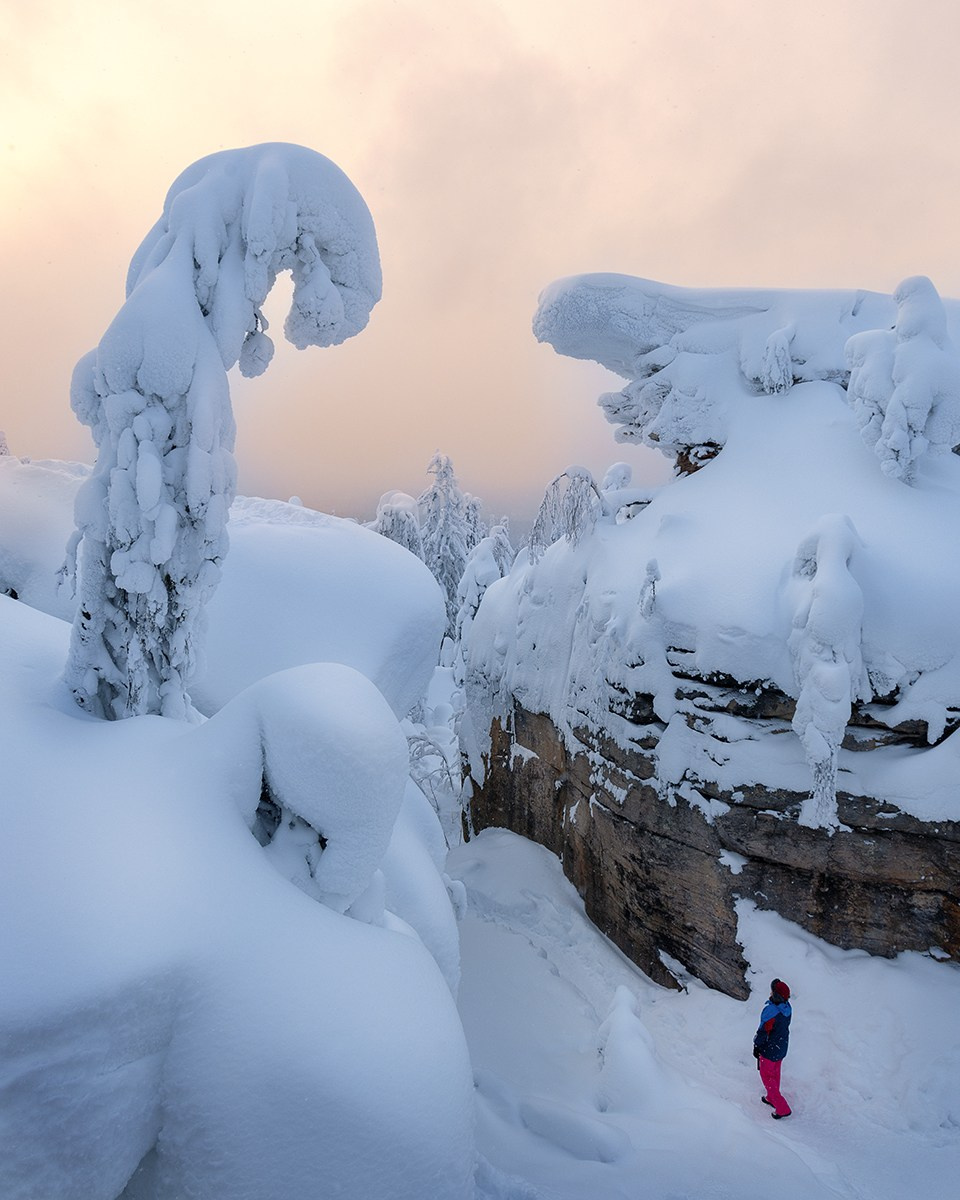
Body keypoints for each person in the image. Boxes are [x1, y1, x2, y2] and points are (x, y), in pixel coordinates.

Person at [753, 978, 792, 1118]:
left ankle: (782, 1108)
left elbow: (763, 1032)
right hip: (781, 1047)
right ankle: (771, 1097)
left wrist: (757, 1046)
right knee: (775, 1073)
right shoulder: (787, 1008)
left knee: (767, 1077)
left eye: (773, 991)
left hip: (769, 1050)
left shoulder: (771, 1012)